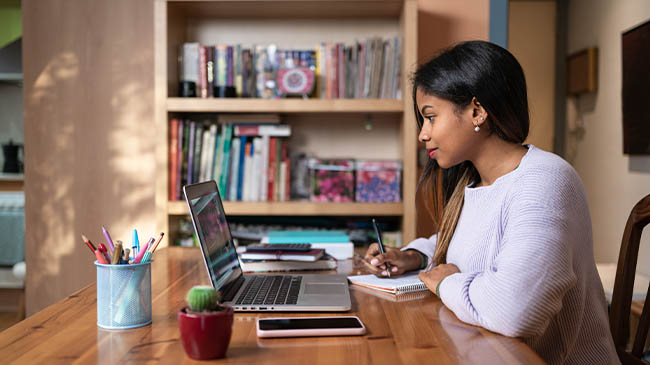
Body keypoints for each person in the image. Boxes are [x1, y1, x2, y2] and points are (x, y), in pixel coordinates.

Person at [364, 40, 619, 364]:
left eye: (430, 117)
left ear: (477, 111)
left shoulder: (544, 180)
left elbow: (516, 311)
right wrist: (412, 257)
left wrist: (447, 283)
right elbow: (464, 248)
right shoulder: (474, 180)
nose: (423, 134)